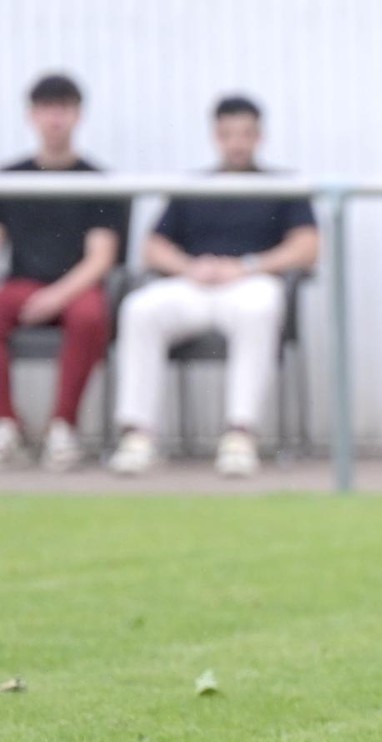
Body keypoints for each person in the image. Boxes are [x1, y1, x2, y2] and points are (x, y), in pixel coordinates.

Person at [108, 95, 318, 477]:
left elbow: (307, 247)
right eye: (228, 134)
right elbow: (152, 247)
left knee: (261, 307)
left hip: (250, 285)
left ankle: (240, 434)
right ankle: (137, 435)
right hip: (195, 285)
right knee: (139, 309)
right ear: (215, 137)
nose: (237, 143)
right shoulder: (193, 187)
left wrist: (247, 266)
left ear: (259, 137)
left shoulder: (284, 186)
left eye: (245, 134)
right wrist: (190, 267)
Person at [0, 73, 123, 471]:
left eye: (63, 110)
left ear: (77, 115)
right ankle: (6, 424)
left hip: (75, 288)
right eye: (46, 110)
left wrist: (57, 295)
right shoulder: (10, 180)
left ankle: (63, 428)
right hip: (22, 286)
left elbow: (101, 257)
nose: (55, 120)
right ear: (32, 116)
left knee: (90, 315)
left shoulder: (97, 181)